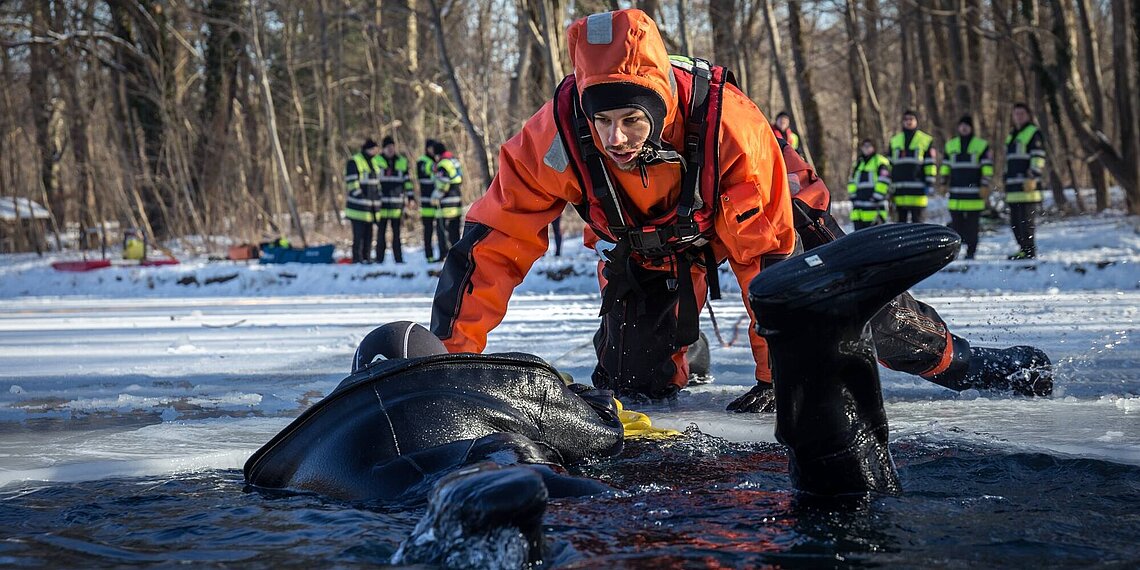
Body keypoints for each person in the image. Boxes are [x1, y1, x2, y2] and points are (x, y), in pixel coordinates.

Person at [430, 9, 1051, 409]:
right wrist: (448, 369)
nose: (616, 139)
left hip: (773, 207)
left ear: (663, 109)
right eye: (604, 122)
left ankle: (968, 364)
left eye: (631, 121)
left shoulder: (729, 125)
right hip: (651, 239)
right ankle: (681, 349)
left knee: (866, 320)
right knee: (630, 380)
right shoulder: (554, 140)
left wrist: (775, 377)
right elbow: (491, 247)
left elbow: (767, 260)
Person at [940, 116, 993, 260]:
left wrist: (985, 184)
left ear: (971, 128)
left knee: (972, 226)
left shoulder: (981, 145)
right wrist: (943, 181)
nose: (964, 128)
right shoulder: (951, 145)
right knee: (956, 225)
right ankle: (954, 252)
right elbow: (945, 165)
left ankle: (971, 252)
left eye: (966, 125)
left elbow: (987, 166)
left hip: (974, 194)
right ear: (958, 127)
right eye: (961, 125)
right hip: (956, 194)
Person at [1003, 103, 1046, 260]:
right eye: (1016, 114)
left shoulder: (1033, 132)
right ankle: (1022, 249)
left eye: (1021, 113)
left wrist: (1033, 175)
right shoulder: (1013, 134)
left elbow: (1038, 155)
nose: (1018, 117)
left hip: (1027, 187)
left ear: (1028, 115)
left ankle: (1029, 251)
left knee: (1026, 222)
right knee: (1015, 223)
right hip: (1013, 187)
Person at [888, 110, 938, 223]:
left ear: (916, 121)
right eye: (906, 119)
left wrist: (929, 183)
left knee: (918, 226)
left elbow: (930, 164)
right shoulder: (894, 141)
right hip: (899, 192)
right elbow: (889, 165)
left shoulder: (926, 140)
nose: (908, 122)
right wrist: (889, 186)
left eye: (911, 119)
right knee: (900, 228)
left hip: (918, 192)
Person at [374, 136, 415, 264]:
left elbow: (407, 181)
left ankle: (398, 258)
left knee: (396, 234)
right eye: (388, 147)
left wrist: (411, 197)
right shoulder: (376, 161)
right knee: (381, 234)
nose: (390, 149)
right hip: (381, 204)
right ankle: (379, 259)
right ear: (383, 148)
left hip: (397, 204)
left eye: (392, 147)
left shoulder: (402, 161)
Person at [344, 138, 382, 263]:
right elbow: (352, 185)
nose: (376, 152)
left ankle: (367, 257)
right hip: (358, 208)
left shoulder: (374, 162)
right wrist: (363, 198)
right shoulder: (354, 161)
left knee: (369, 236)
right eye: (374, 149)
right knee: (358, 237)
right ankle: (357, 259)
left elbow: (377, 185)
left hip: (370, 209)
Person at [429, 141, 464, 260]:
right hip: (457, 199)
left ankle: (443, 254)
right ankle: (458, 255)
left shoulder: (442, 164)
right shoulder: (454, 161)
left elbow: (443, 182)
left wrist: (436, 195)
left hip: (446, 202)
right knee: (455, 231)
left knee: (442, 229)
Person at [847, 138, 891, 230]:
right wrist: (853, 196)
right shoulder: (858, 163)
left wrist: (877, 196)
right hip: (858, 209)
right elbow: (852, 181)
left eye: (869, 146)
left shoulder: (880, 161)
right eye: (864, 146)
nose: (866, 149)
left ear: (874, 147)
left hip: (874, 208)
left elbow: (884, 180)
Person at [416, 139, 441, 262]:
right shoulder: (423, 161)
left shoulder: (436, 160)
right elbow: (428, 168)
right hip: (427, 202)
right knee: (428, 230)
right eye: (431, 148)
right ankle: (429, 255)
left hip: (437, 200)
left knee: (440, 229)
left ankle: (442, 254)